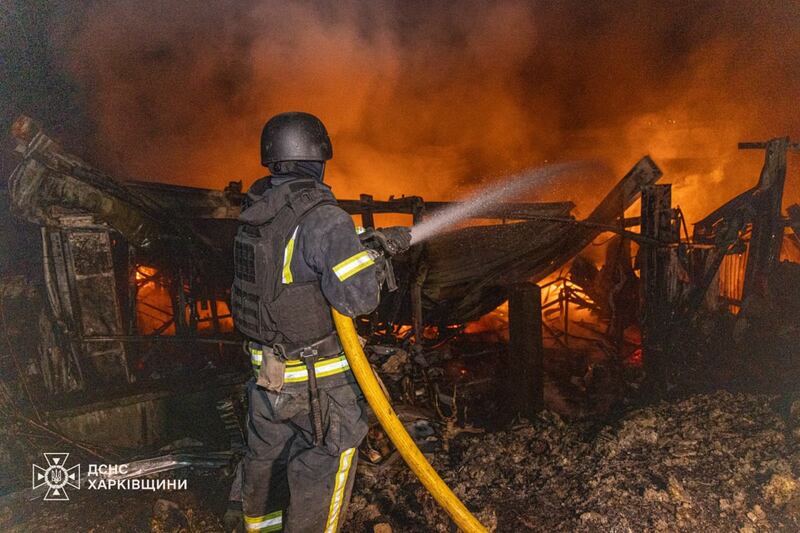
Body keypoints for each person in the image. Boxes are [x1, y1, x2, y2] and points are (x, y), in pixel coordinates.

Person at [226, 112, 410, 533]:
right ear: (319, 155)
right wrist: (376, 257)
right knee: (325, 465)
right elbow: (358, 298)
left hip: (266, 377)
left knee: (265, 461)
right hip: (318, 385)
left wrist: (357, 249)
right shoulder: (325, 216)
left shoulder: (257, 212)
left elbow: (295, 271)